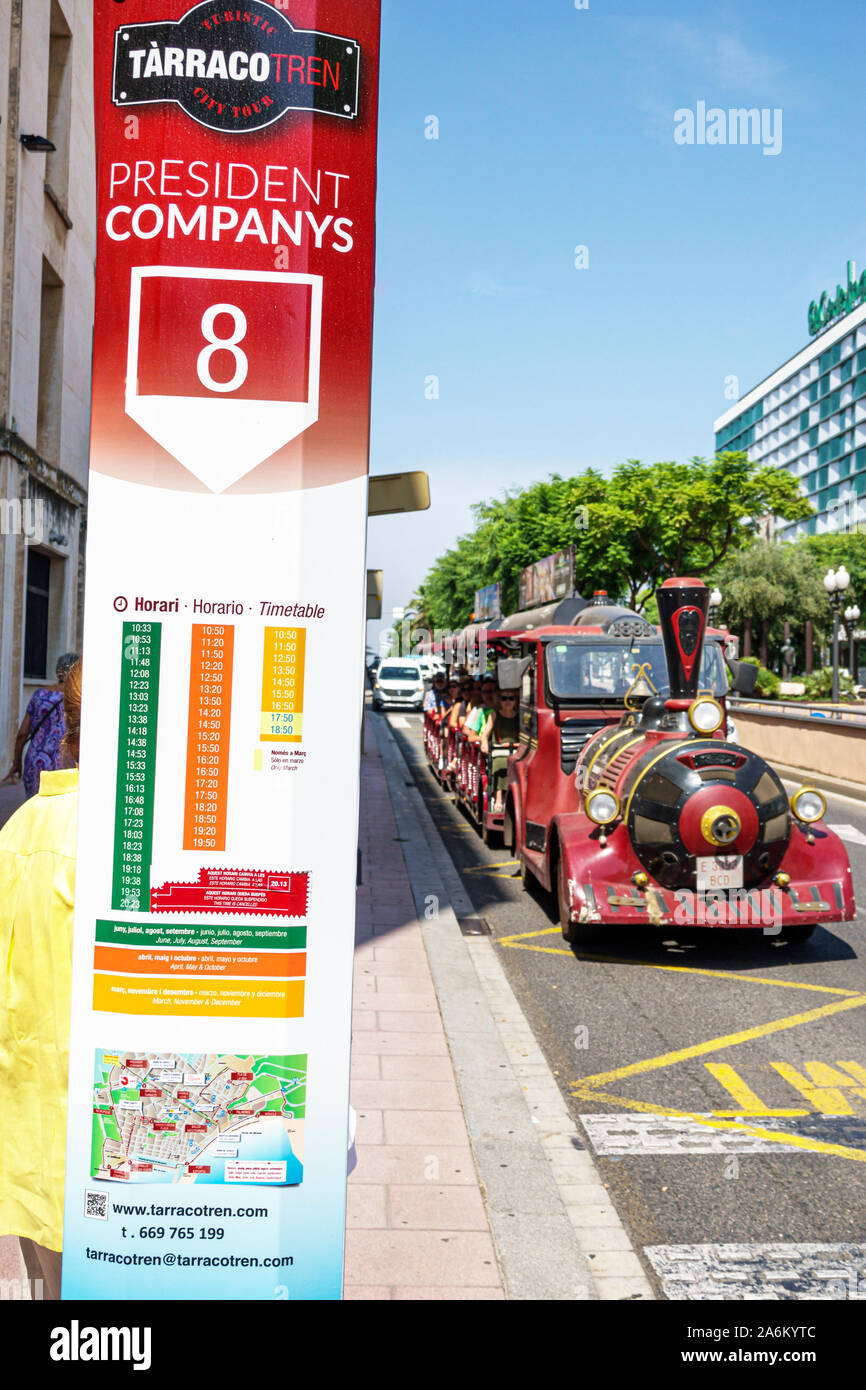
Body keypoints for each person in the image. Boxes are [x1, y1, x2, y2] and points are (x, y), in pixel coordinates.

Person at [0, 658, 81, 1300]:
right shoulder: (122, 838)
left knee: (46, 1288)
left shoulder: (22, 827)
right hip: (103, 1115)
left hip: (31, 1115)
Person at [3, 652, 79, 797]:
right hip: (63, 766)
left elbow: (22, 734)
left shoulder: (39, 695)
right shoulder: (76, 699)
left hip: (35, 762)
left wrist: (17, 762)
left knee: (34, 811)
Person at [480, 688, 520, 812]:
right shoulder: (494, 714)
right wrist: (484, 744)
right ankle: (498, 798)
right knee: (500, 763)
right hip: (499, 749)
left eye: (510, 698)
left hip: (516, 749)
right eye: (504, 698)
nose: (507, 701)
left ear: (515, 701)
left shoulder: (520, 716)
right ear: (500, 701)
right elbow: (485, 734)